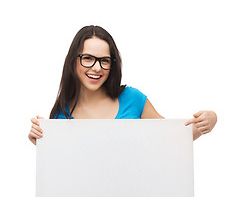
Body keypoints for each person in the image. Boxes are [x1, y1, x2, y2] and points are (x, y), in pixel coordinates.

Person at [28, 25, 217, 145]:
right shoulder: (61, 115)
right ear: (73, 61)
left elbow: (172, 139)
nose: (96, 68)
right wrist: (39, 141)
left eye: (105, 60)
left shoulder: (133, 99)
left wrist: (208, 120)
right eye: (88, 58)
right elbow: (59, 173)